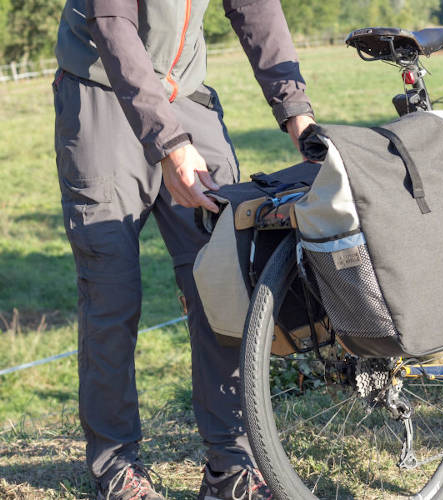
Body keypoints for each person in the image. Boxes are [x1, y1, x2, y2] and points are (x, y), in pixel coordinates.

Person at [53, 1, 315, 498]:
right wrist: (170, 144)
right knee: (112, 292)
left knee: (227, 278)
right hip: (100, 91)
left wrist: (296, 111)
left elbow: (254, 6)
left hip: (185, 95)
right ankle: (116, 467)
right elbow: (112, 25)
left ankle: (231, 464)